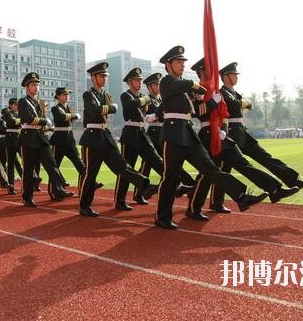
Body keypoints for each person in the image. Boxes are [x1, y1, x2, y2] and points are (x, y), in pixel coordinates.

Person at [155, 46, 266, 229]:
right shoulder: (166, 82)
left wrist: (209, 98)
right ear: (168, 64)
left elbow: (194, 105)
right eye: (178, 62)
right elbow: (174, 93)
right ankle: (162, 216)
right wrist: (194, 86)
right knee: (171, 177)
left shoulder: (183, 84)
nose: (183, 65)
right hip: (173, 133)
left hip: (188, 133)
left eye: (183, 62)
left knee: (210, 168)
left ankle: (240, 195)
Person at [187, 58, 297, 219]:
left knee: (244, 164)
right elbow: (199, 112)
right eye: (209, 69)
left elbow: (225, 114)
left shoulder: (215, 90)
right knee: (207, 174)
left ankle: (273, 189)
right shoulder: (197, 90)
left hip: (222, 134)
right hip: (208, 133)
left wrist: (223, 130)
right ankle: (193, 207)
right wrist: (212, 102)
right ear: (202, 71)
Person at [212, 62, 303, 210]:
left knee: (265, 157)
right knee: (226, 167)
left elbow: (249, 105)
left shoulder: (234, 93)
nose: (236, 77)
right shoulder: (222, 92)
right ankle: (217, 202)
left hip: (241, 130)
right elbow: (235, 106)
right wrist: (242, 103)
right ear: (225, 77)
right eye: (234, 75)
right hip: (231, 131)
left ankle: (292, 179)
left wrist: (242, 103)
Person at [79, 62, 157, 217]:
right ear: (93, 77)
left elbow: (102, 110)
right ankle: (84, 205)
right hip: (92, 137)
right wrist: (111, 107)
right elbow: (94, 110)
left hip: (105, 136)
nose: (105, 78)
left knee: (122, 166)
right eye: (101, 76)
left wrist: (108, 107)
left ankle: (144, 184)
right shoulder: (88, 94)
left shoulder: (105, 96)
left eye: (105, 76)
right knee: (91, 173)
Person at [114, 68, 193, 211]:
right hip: (130, 134)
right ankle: (119, 200)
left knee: (157, 161)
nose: (139, 82)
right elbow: (131, 105)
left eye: (140, 80)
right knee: (128, 169)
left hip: (141, 133)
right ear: (129, 82)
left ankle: (177, 186)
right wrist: (145, 100)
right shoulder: (125, 95)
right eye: (136, 80)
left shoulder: (145, 97)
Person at [18, 72, 74, 207]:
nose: (36, 87)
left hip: (41, 138)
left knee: (51, 164)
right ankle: (27, 197)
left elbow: (39, 121)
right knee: (29, 170)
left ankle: (59, 190)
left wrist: (45, 125)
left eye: (37, 84)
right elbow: (28, 119)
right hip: (28, 138)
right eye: (33, 85)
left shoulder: (40, 102)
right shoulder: (23, 102)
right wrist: (46, 121)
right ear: (27, 87)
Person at [0, 105, 23, 180]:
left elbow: (19, 125)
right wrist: (11, 126)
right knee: (3, 161)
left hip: (14, 139)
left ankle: (21, 175)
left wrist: (14, 124)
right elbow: (2, 131)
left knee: (16, 161)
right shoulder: (2, 120)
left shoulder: (15, 117)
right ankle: (4, 178)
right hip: (4, 141)